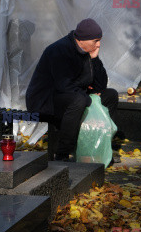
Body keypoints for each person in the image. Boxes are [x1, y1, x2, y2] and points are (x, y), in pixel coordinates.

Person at [26, 18, 119, 162]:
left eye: (99, 40)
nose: (99, 44)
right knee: (80, 101)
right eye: (95, 41)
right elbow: (64, 86)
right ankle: (63, 154)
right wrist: (88, 95)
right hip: (45, 101)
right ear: (82, 40)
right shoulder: (59, 50)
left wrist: (94, 59)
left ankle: (101, 147)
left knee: (111, 95)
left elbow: (101, 86)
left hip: (71, 96)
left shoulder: (88, 51)